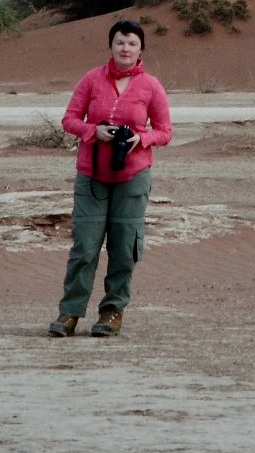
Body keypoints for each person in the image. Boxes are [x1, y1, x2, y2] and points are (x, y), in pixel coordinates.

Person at [49, 18, 172, 338]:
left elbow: (165, 131)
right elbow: (69, 119)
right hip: (91, 177)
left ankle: (111, 311)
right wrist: (94, 131)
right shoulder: (91, 80)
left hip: (133, 177)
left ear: (141, 48)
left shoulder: (152, 86)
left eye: (132, 43)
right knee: (85, 248)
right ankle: (70, 313)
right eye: (120, 42)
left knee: (123, 248)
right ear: (111, 46)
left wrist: (140, 140)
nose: (125, 48)